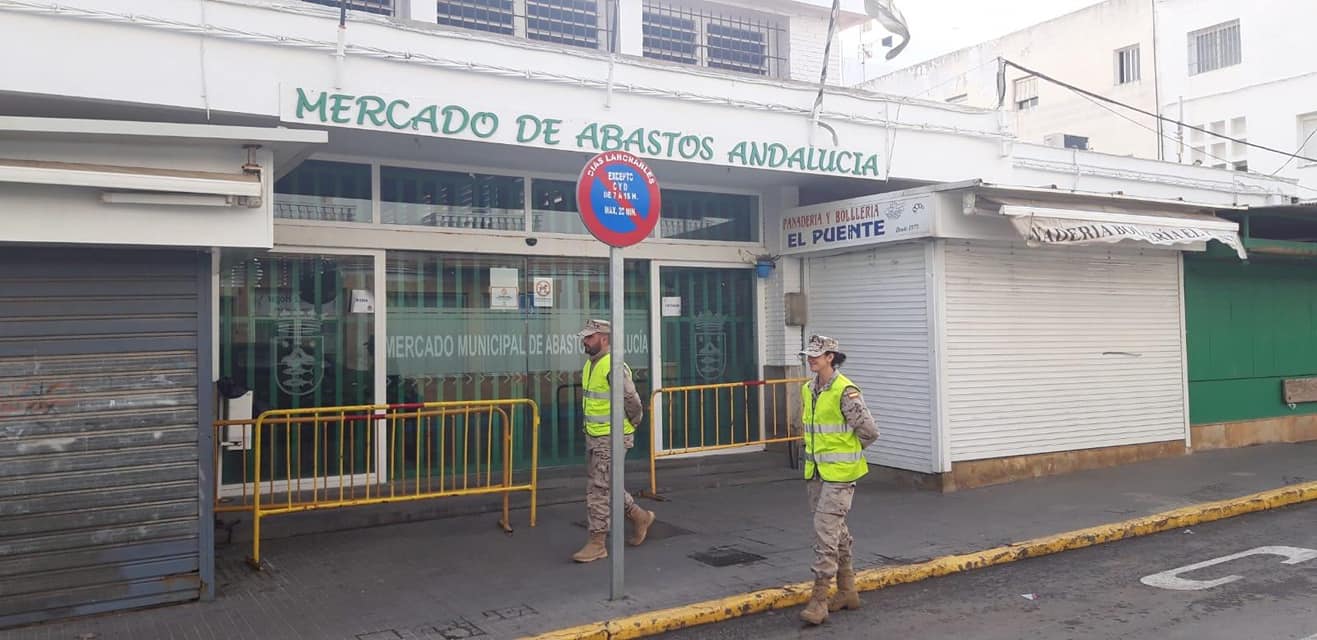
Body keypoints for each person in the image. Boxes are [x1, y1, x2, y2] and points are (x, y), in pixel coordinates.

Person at [796, 335, 879, 625]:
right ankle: (847, 590)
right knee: (835, 530)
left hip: (841, 475)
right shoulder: (809, 389)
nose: (810, 359)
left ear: (831, 356)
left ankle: (819, 600)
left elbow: (869, 430)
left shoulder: (846, 390)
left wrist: (848, 452)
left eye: (816, 355)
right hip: (816, 473)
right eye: (808, 354)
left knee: (824, 532)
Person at [571, 318, 656, 563]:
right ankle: (640, 517)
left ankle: (597, 543)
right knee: (607, 484)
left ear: (604, 338)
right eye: (585, 336)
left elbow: (633, 401)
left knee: (598, 489)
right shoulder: (592, 365)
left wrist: (633, 424)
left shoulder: (613, 366)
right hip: (596, 436)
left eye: (589, 337)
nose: (584, 341)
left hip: (612, 438)